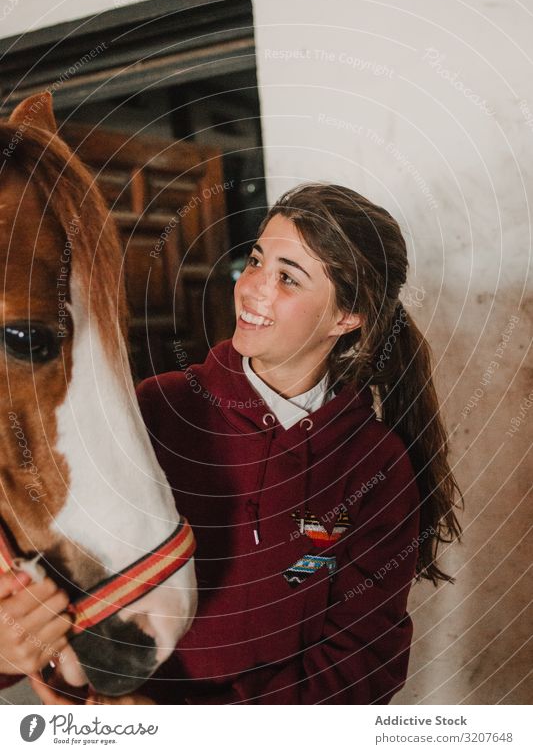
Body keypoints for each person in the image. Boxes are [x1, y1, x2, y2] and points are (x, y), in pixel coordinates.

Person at [10, 182, 462, 705]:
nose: (253, 290)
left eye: (288, 279)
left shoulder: (375, 464)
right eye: (255, 261)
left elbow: (364, 665)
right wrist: (61, 680)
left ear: (347, 317)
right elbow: (62, 575)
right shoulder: (159, 408)